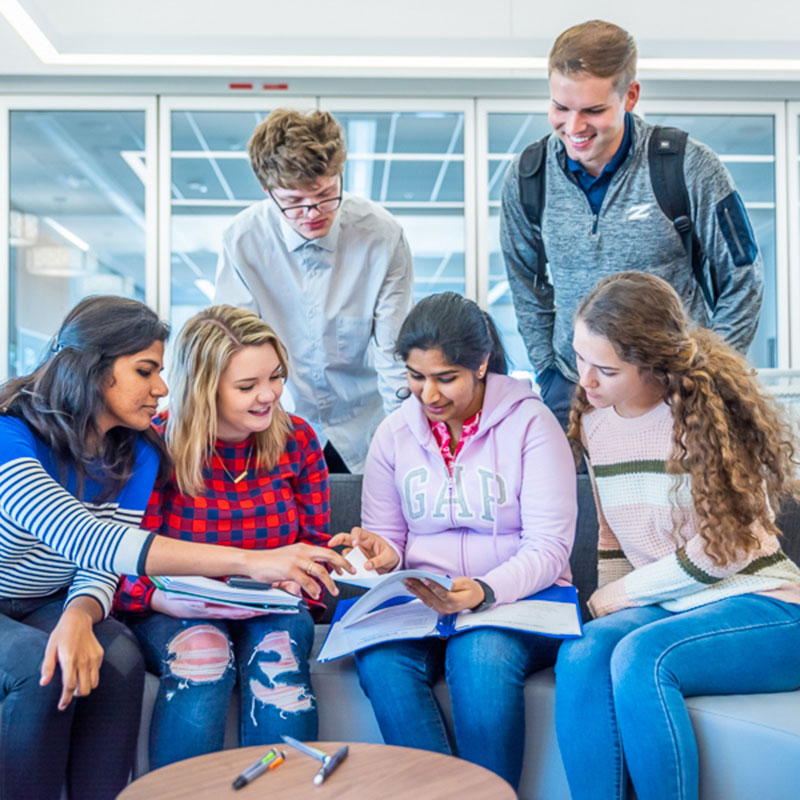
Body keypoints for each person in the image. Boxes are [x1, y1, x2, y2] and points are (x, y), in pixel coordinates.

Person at [0, 296, 350, 800]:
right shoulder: (11, 434)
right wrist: (250, 561)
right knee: (41, 667)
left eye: (161, 371)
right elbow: (87, 537)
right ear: (93, 370)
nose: (162, 389)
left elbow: (99, 564)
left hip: (47, 599)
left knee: (117, 658)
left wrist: (77, 614)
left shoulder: (135, 447)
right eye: (145, 371)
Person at [555, 271, 800, 800]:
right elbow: (612, 539)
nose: (586, 382)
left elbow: (724, 549)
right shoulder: (595, 425)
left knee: (641, 658)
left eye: (606, 369)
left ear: (653, 364)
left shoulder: (702, 418)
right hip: (676, 603)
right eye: (579, 359)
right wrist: (610, 603)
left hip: (766, 603)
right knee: (581, 653)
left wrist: (619, 596)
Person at [329, 292, 577, 789]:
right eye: (416, 377)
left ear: (481, 364)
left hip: (516, 598)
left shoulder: (533, 423)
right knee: (380, 662)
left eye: (446, 378)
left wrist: (484, 589)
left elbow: (550, 546)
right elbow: (391, 539)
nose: (429, 395)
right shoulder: (394, 433)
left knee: (479, 657)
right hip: (423, 602)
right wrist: (379, 554)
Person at [501, 19, 764, 428]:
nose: (573, 128)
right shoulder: (528, 176)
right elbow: (525, 284)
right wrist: (550, 371)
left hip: (676, 393)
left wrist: (709, 372)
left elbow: (744, 275)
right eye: (560, 108)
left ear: (631, 96)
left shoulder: (687, 166)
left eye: (593, 110)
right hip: (575, 391)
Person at [116, 305, 331, 768]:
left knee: (280, 665)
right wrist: (157, 600)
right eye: (247, 386)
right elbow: (119, 557)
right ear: (204, 389)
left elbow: (317, 548)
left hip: (271, 604)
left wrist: (301, 580)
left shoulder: (299, 441)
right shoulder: (153, 446)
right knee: (203, 655)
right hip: (176, 607)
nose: (269, 395)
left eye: (275, 377)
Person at [214, 108, 414, 473]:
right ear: (267, 191)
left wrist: (410, 448)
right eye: (293, 202)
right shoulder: (243, 241)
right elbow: (231, 353)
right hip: (275, 427)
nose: (312, 212)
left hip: (364, 429)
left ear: (340, 174)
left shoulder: (381, 237)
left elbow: (393, 357)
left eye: (325, 194)